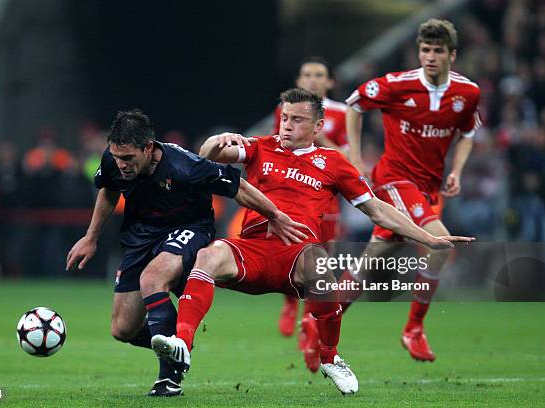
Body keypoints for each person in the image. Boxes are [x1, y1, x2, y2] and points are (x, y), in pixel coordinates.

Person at [149, 89, 474, 395]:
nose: (287, 126)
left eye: (297, 120)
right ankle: (183, 343)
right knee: (208, 255)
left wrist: (428, 238)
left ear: (318, 126)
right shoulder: (260, 146)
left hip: (297, 255)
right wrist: (216, 143)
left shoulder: (333, 163)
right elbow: (205, 161)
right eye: (285, 118)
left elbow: (376, 209)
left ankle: (329, 357)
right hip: (253, 249)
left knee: (319, 263)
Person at [66, 109, 305, 397]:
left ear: (149, 148)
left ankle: (169, 377)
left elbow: (238, 187)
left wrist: (275, 215)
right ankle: (179, 343)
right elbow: (109, 190)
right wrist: (90, 238)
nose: (122, 165)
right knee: (122, 329)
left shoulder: (186, 166)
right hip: (141, 235)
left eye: (128, 159)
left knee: (153, 279)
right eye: (117, 157)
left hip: (190, 228)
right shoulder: (114, 160)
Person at [344, 19, 481, 362]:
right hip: (392, 180)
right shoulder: (396, 85)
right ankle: (414, 328)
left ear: (452, 55)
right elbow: (354, 103)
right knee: (439, 243)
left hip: (426, 189)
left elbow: (467, 132)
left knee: (370, 259)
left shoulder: (467, 93)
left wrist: (458, 170)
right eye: (425, 50)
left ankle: (321, 320)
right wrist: (357, 160)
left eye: (437, 51)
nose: (430, 57)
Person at [272, 56, 349, 372]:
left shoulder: (342, 114)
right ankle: (291, 305)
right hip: (293, 193)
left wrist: (316, 134)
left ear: (329, 82)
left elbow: (346, 156)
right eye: (307, 74)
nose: (313, 80)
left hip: (326, 197)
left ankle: (308, 320)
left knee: (320, 259)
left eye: (319, 75)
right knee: (289, 249)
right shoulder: (285, 111)